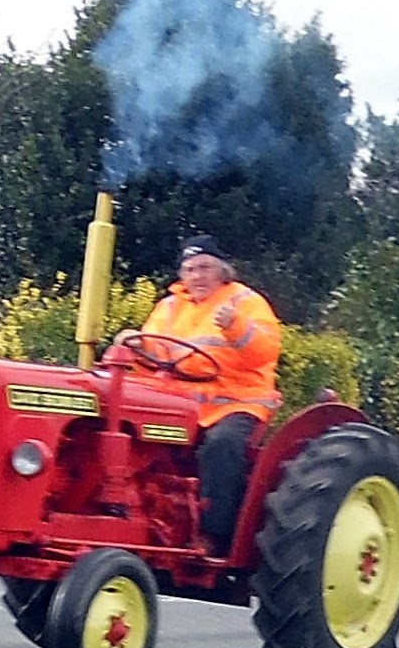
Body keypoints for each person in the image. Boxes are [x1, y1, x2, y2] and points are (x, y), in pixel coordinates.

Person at [118, 235, 282, 555]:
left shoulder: (244, 302)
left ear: (222, 271)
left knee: (221, 446)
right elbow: (154, 353)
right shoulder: (168, 307)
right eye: (190, 269)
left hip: (236, 401)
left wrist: (235, 326)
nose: (197, 276)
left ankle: (214, 535)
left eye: (205, 267)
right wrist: (137, 347)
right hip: (178, 401)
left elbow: (264, 352)